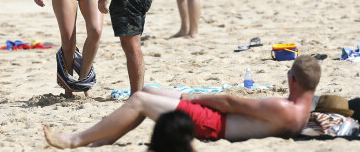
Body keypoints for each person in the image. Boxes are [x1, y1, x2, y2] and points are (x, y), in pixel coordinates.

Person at [43, 55, 321, 148]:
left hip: (214, 125)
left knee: (140, 99)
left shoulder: (283, 107)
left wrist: (192, 96)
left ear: (293, 80)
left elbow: (229, 103)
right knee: (150, 90)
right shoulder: (303, 108)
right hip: (222, 122)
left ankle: (75, 140)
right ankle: (104, 139)